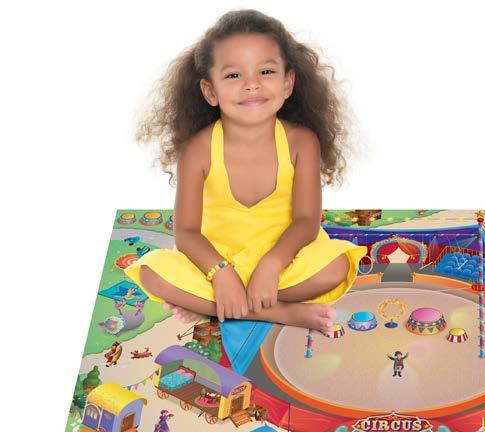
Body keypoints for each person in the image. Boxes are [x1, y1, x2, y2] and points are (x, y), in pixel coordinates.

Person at [124, 10, 366, 332]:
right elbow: (187, 233)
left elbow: (307, 221)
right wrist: (220, 273)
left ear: (287, 83)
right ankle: (278, 312)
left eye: (266, 71)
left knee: (336, 266)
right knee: (152, 273)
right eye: (234, 75)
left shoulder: (302, 142)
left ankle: (215, 306)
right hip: (216, 262)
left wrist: (272, 264)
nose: (252, 85)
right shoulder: (197, 150)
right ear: (211, 91)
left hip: (284, 259)